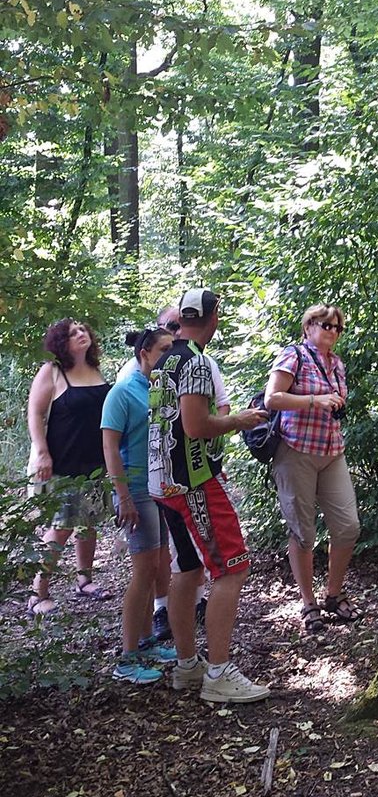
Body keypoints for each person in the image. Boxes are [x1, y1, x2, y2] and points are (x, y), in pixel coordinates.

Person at [148, 288, 270, 703]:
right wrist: (240, 419)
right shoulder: (196, 361)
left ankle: (188, 666)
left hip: (162, 481)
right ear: (213, 317)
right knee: (231, 569)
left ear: (182, 318)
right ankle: (218, 674)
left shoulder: (163, 360)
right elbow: (196, 425)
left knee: (187, 570)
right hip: (195, 481)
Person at [117, 303, 229, 640]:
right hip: (162, 482)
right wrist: (123, 494)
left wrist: (214, 457)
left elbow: (215, 407)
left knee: (180, 559)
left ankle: (180, 649)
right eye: (167, 331)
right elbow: (113, 443)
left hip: (176, 478)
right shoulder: (130, 383)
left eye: (177, 328)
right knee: (158, 565)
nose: (174, 337)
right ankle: (150, 637)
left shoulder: (197, 363)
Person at [264, 304, 360, 634]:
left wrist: (333, 403)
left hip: (332, 451)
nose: (332, 331)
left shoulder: (337, 365)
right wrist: (313, 401)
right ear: (309, 327)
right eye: (326, 325)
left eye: (337, 327)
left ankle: (333, 594)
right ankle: (308, 603)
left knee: (348, 526)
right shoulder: (294, 355)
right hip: (296, 452)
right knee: (303, 532)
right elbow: (272, 398)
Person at [102, 326, 178, 683]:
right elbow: (109, 447)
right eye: (163, 349)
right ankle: (127, 656)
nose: (169, 355)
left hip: (159, 487)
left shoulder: (159, 389)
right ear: (145, 352)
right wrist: (123, 496)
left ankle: (146, 641)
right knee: (143, 570)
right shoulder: (122, 391)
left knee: (158, 565)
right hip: (135, 489)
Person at [26, 318, 112, 616]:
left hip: (95, 462)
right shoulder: (52, 372)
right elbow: (35, 413)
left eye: (83, 329)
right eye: (73, 332)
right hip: (62, 462)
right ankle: (38, 592)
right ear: (61, 342)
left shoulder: (95, 370)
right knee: (61, 526)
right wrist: (41, 452)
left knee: (88, 522)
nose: (81, 334)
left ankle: (84, 580)